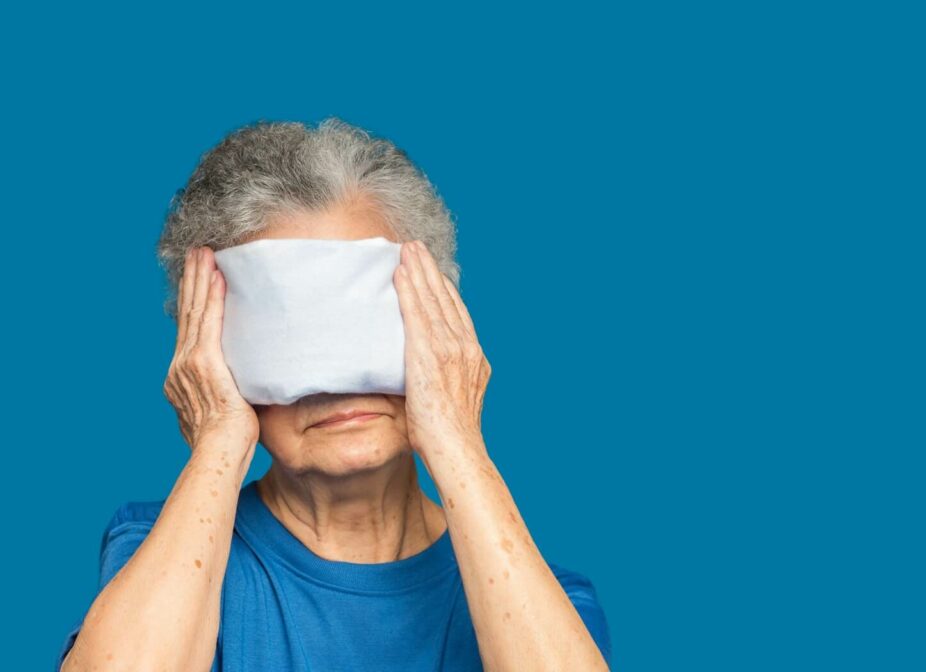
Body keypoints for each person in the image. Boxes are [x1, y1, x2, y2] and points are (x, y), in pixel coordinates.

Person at [56, 118, 612, 671]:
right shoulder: (160, 555)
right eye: (284, 336)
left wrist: (456, 437)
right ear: (210, 353)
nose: (335, 381)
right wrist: (218, 443)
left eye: (368, 323)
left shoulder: (545, 605)